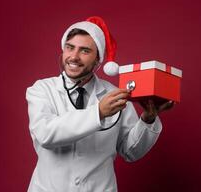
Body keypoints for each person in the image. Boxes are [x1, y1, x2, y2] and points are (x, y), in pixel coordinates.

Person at [26, 16, 174, 192]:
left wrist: (148, 120)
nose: (74, 56)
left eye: (85, 51)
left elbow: (130, 151)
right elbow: (46, 134)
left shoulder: (114, 95)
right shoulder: (42, 89)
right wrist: (98, 112)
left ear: (98, 59)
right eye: (70, 47)